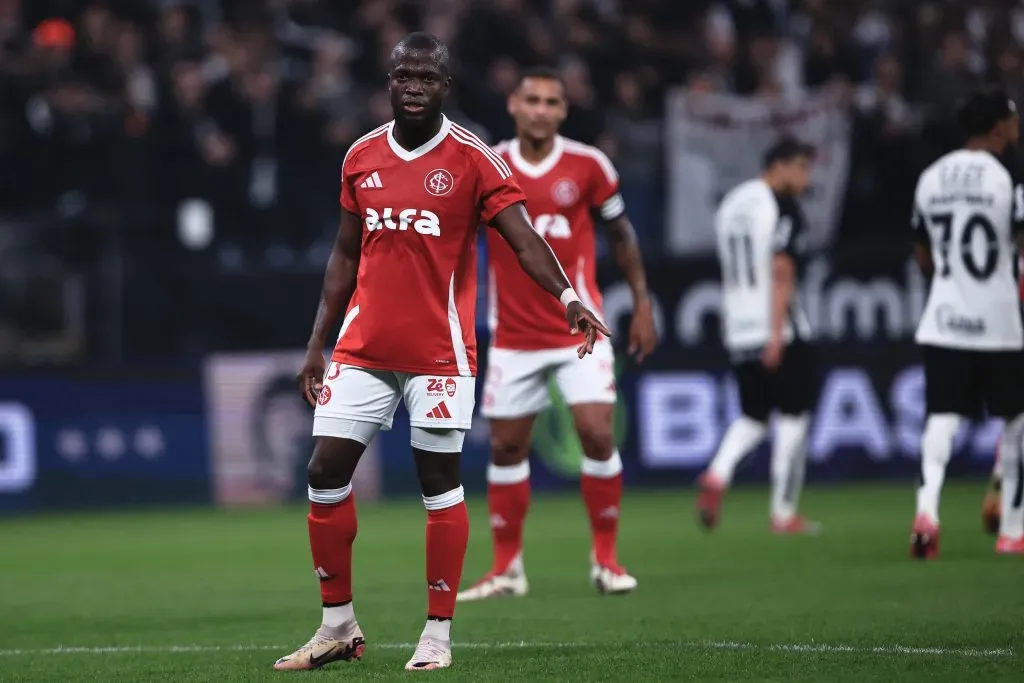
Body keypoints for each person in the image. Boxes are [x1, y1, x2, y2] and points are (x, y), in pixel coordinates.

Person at [273, 33, 611, 672]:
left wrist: (568, 295)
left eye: (427, 77)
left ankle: (437, 634)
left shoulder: (474, 158)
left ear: (444, 87)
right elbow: (345, 256)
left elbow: (523, 237)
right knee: (323, 474)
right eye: (404, 75)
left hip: (440, 351)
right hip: (363, 346)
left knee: (438, 484)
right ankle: (337, 627)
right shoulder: (361, 156)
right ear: (389, 80)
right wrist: (317, 344)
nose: (414, 86)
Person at [455, 67, 657, 602]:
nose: (542, 109)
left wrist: (642, 302)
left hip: (578, 330)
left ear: (563, 111)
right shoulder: (487, 163)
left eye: (552, 101)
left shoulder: (589, 165)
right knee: (505, 447)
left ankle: (607, 559)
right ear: (514, 105)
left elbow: (621, 235)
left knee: (595, 431)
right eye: (533, 100)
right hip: (514, 335)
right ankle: (506, 569)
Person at [909, 86, 1024, 559]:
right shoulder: (1010, 177)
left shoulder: (931, 177)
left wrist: (949, 284)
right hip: (998, 319)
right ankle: (1013, 531)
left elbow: (922, 252)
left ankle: (927, 511)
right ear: (999, 126)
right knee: (1017, 423)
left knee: (941, 418)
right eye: (1014, 120)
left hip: (944, 317)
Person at [695, 136, 819, 535]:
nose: (805, 177)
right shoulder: (783, 208)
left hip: (737, 325)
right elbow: (781, 272)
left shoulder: (732, 203)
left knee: (753, 415)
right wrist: (778, 334)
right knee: (794, 417)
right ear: (778, 165)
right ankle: (783, 512)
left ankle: (717, 473)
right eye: (800, 167)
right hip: (775, 325)